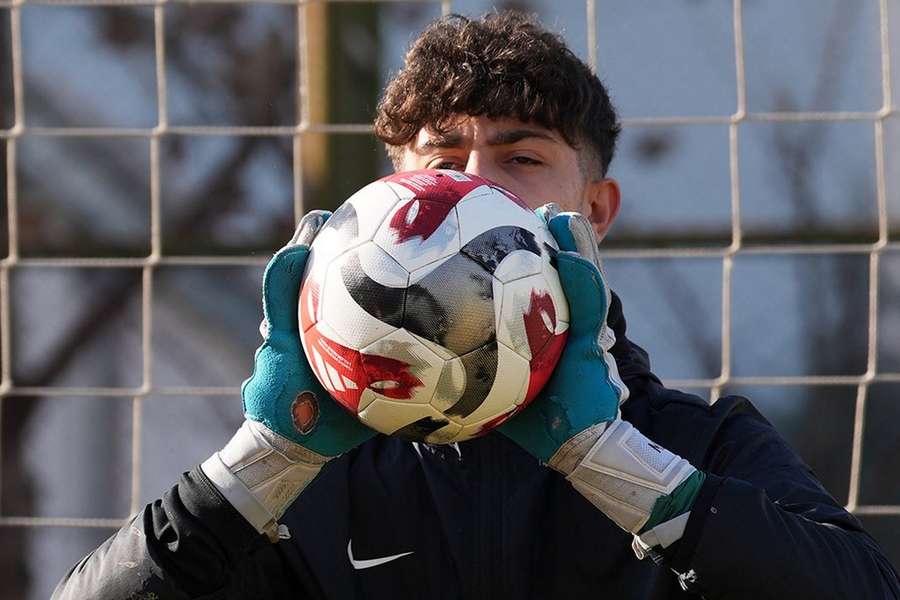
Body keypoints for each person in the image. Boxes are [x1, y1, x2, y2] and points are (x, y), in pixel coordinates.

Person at [53, 12, 899, 599]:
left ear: (594, 212)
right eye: (443, 157)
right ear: (391, 196)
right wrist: (257, 464)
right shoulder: (314, 472)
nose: (474, 188)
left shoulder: (695, 444)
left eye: (519, 157)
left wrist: (610, 460)